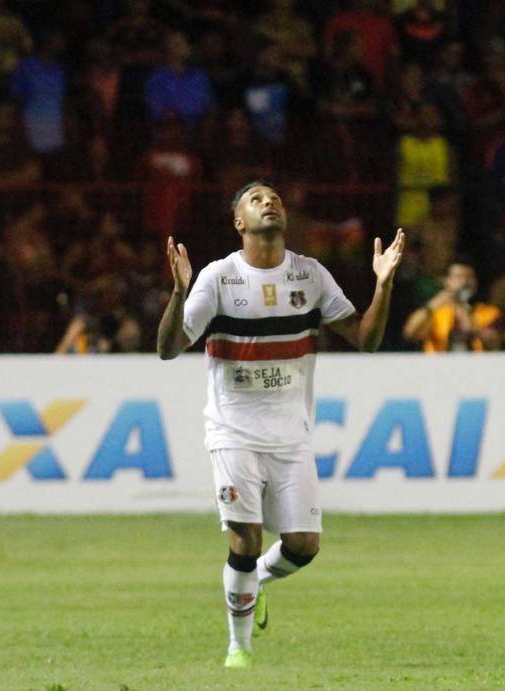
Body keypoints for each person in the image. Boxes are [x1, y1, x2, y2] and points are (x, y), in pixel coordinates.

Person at [156, 181, 404, 669]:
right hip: (233, 431)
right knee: (244, 538)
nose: (269, 202)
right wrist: (180, 293)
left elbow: (365, 340)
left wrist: (384, 284)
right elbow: (167, 348)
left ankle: (256, 583)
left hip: (292, 436)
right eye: (256, 199)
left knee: (304, 546)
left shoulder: (310, 275)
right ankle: (239, 648)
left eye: (275, 198)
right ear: (239, 222)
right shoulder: (218, 278)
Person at [402, 258, 501, 352]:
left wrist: (469, 319)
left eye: (469, 277)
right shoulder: (436, 312)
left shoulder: (488, 311)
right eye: (458, 276)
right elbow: (411, 333)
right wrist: (433, 305)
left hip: (476, 366)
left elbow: (494, 344)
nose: (464, 281)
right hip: (438, 366)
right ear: (446, 280)